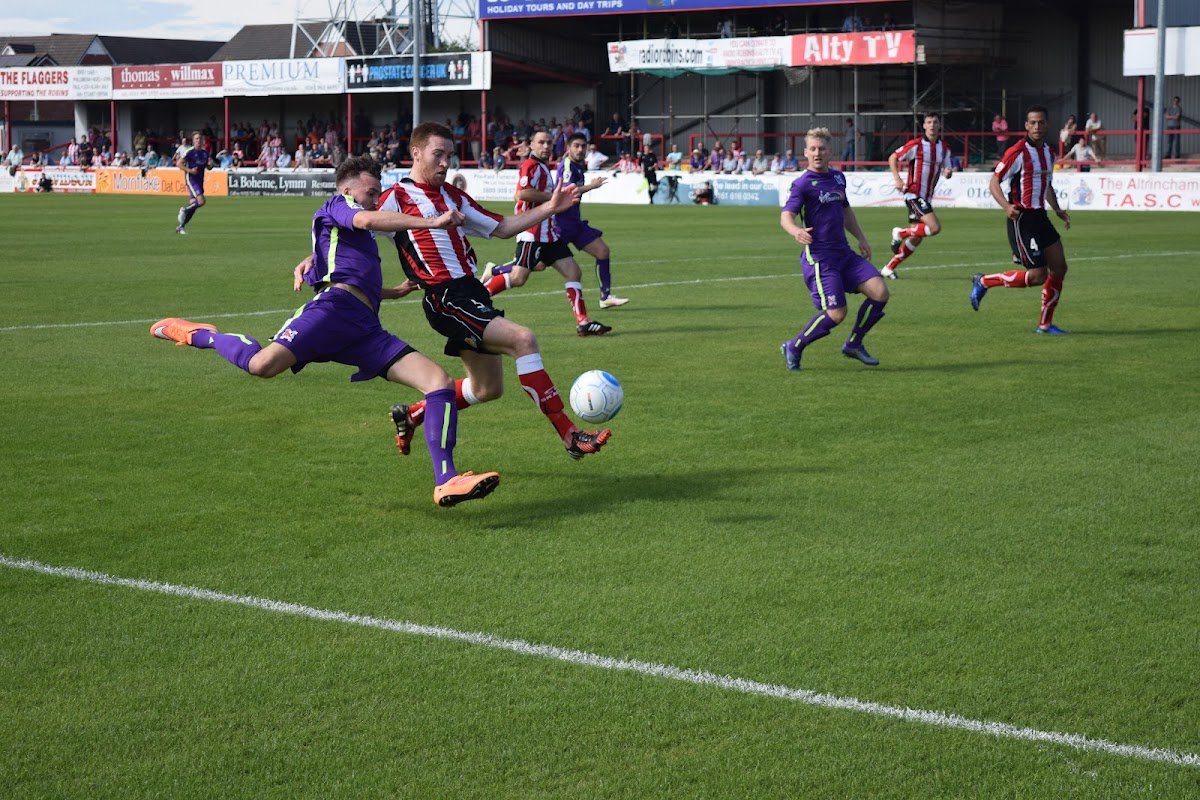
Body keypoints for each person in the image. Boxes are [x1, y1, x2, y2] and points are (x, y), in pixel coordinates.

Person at [149, 155, 500, 507]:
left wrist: (393, 291)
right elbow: (363, 220)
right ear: (348, 188)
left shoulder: (348, 239)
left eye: (378, 192)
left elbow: (353, 272)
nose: (375, 198)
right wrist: (432, 221)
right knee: (261, 366)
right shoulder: (339, 205)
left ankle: (446, 480)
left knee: (437, 382)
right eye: (371, 191)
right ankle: (200, 334)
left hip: (365, 327)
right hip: (331, 313)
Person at [376, 122, 613, 463]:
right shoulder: (396, 196)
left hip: (471, 292)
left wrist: (550, 208)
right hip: (445, 297)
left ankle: (413, 414)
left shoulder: (453, 196)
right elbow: (358, 225)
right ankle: (569, 433)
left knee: (487, 389)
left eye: (449, 156)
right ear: (416, 153)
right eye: (437, 155)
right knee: (523, 340)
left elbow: (501, 228)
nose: (445, 163)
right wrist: (317, 254)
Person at [476, 131, 612, 336]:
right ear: (531, 144)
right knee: (518, 277)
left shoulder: (541, 166)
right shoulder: (531, 165)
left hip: (549, 234)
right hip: (533, 232)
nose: (546, 146)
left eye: (549, 142)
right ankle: (477, 298)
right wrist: (554, 197)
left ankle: (583, 322)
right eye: (541, 142)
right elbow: (522, 193)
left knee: (573, 272)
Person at [779, 127, 889, 372]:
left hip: (844, 253)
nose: (818, 153)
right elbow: (786, 215)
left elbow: (846, 211)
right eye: (813, 149)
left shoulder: (839, 178)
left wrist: (861, 238)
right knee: (837, 313)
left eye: (822, 149)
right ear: (806, 152)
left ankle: (853, 343)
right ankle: (794, 346)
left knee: (880, 292)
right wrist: (795, 230)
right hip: (820, 258)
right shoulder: (802, 184)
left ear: (830, 152)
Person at [970, 105, 1072, 335]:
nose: (1037, 127)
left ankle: (1045, 325)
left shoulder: (1049, 152)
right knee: (1038, 275)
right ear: (1026, 126)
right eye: (1032, 123)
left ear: (1047, 124)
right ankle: (984, 281)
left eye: (1041, 122)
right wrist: (1006, 207)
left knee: (1060, 267)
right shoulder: (1017, 152)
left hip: (1041, 217)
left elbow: (1047, 186)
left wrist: (1057, 210)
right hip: (1022, 218)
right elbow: (994, 182)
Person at [881, 112, 955, 279]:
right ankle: (900, 233)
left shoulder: (944, 149)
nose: (932, 125)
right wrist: (897, 178)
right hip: (914, 194)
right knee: (934, 228)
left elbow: (948, 169)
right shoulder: (916, 145)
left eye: (935, 122)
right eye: (928, 122)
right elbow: (893, 157)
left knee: (917, 237)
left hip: (926, 197)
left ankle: (888, 268)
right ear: (924, 126)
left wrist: (948, 172)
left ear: (939, 125)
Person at [175, 131, 209, 235]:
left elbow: (207, 166)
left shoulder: (205, 153)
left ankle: (181, 227)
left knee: (194, 206)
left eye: (200, 139)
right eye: (196, 139)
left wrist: (210, 165)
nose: (199, 140)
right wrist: (189, 170)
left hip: (200, 180)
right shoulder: (189, 152)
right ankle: (184, 210)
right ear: (193, 141)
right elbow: (179, 163)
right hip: (191, 179)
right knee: (201, 201)